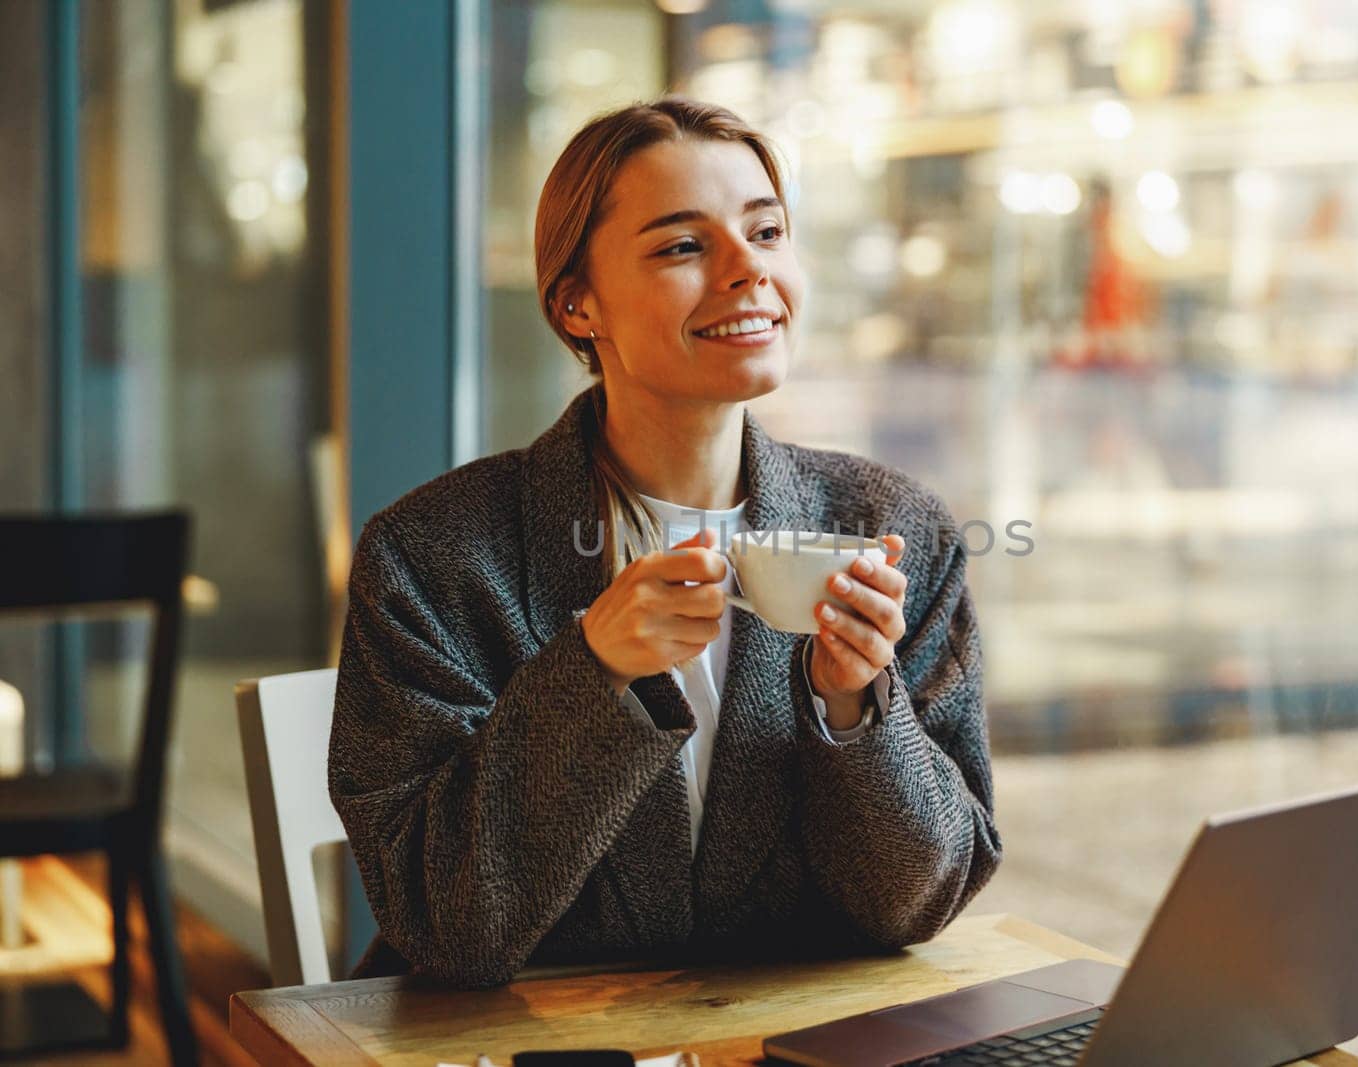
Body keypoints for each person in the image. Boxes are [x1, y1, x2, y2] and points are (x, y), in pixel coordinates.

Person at [328, 96, 1000, 989]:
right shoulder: (431, 559)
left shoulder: (896, 531)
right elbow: (448, 923)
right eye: (684, 246)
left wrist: (854, 708)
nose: (745, 271)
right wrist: (591, 669)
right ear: (577, 304)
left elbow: (919, 904)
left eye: (765, 233)